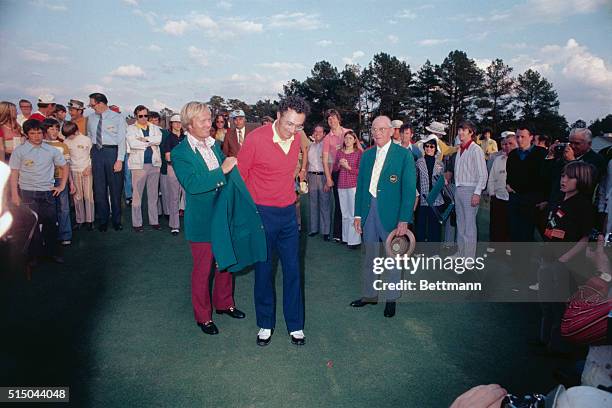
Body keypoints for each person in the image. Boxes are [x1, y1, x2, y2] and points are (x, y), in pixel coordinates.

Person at [237, 96, 310, 346]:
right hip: (262, 214)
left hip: (289, 214)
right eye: (289, 124)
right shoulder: (255, 139)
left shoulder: (298, 137)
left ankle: (295, 325)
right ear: (278, 116)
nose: (293, 131)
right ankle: (265, 324)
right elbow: (241, 178)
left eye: (299, 125)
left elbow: (289, 172)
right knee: (264, 272)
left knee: (293, 271)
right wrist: (248, 215)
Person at [171, 101, 246, 336]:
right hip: (202, 220)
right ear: (189, 125)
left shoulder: (213, 145)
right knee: (203, 270)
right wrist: (222, 170)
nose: (209, 124)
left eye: (209, 119)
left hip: (222, 215)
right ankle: (203, 316)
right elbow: (192, 185)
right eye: (203, 120)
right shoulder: (180, 153)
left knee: (225, 262)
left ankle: (224, 304)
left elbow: (227, 174)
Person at [351, 115, 416, 318]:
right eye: (374, 130)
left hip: (393, 215)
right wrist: (358, 215)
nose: (377, 133)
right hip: (369, 211)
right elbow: (361, 187)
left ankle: (391, 298)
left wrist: (404, 219)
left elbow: (408, 190)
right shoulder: (367, 155)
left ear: (390, 131)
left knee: (393, 259)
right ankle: (370, 295)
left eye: (381, 129)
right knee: (370, 255)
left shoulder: (403, 155)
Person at [538, 161, 596, 356]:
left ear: (581, 180)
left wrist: (565, 258)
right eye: (563, 176)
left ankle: (556, 347)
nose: (564, 180)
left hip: (563, 263)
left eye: (569, 177)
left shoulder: (583, 206)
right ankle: (543, 340)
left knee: (558, 307)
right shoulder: (560, 200)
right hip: (548, 258)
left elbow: (585, 237)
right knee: (546, 303)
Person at [9, 119, 68, 264]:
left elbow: (65, 167)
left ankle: (52, 253)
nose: (36, 136)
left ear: (44, 133)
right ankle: (34, 256)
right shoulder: (20, 151)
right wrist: (15, 195)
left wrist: (61, 186)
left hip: (48, 191)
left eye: (39, 133)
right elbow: (14, 173)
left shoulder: (51, 150)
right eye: (32, 133)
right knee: (32, 225)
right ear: (26, 134)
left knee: (50, 223)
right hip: (28, 192)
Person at [506, 124, 548, 289]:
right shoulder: (514, 155)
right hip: (515, 199)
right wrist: (509, 185)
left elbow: (545, 178)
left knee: (527, 237)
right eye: (517, 136)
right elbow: (510, 174)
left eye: (523, 136)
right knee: (515, 235)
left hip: (531, 201)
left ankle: (527, 272)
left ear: (531, 137)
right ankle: (517, 270)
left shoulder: (540, 154)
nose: (519, 139)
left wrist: (543, 198)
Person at [87, 92, 126, 232]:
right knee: (99, 189)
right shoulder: (90, 118)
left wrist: (119, 160)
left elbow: (122, 140)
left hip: (112, 153)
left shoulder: (118, 118)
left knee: (115, 189)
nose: (92, 108)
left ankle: (116, 220)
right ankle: (103, 220)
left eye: (93, 105)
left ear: (101, 103)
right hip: (97, 153)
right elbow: (90, 137)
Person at [452, 120, 487, 259]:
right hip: (458, 189)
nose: (460, 132)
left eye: (464, 130)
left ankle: (469, 258)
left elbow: (483, 174)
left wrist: (477, 193)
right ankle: (461, 254)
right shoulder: (460, 149)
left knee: (469, 227)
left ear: (471, 133)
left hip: (470, 190)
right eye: (459, 130)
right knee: (460, 224)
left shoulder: (476, 150)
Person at [126, 105, 162, 232]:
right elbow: (132, 143)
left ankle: (154, 221)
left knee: (153, 195)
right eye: (140, 116)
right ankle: (137, 223)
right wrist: (149, 142)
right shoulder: (130, 128)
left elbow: (159, 140)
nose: (143, 118)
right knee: (137, 195)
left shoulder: (155, 128)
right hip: (138, 166)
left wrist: (145, 139)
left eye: (146, 115)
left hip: (154, 164)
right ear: (136, 115)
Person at [322, 109, 354, 243]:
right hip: (337, 173)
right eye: (329, 119)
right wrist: (328, 178)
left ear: (338, 119)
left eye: (334, 118)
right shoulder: (327, 138)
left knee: (352, 204)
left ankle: (354, 235)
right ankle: (339, 234)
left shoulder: (348, 132)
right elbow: (324, 160)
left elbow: (359, 149)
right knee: (340, 205)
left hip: (351, 171)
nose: (332, 121)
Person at [42, 118, 73, 246]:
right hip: (45, 180)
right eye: (51, 128)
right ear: (45, 130)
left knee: (64, 208)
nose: (54, 131)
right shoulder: (41, 145)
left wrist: (70, 182)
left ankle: (65, 234)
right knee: (48, 209)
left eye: (56, 129)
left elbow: (67, 165)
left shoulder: (62, 146)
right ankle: (49, 236)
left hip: (61, 179)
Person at [486, 134, 517, 255]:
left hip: (512, 198)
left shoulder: (520, 160)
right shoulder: (498, 159)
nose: (507, 146)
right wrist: (491, 193)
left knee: (510, 224)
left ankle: (508, 247)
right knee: (496, 223)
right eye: (505, 144)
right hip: (498, 197)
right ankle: (494, 245)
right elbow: (492, 177)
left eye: (511, 144)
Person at [62, 121, 94, 231]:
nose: (69, 137)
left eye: (70, 134)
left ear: (76, 131)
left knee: (88, 196)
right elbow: (67, 159)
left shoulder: (86, 140)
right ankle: (80, 220)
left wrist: (89, 167)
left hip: (86, 170)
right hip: (74, 170)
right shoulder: (66, 141)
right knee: (77, 196)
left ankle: (90, 220)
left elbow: (92, 155)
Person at [333, 130, 362, 248]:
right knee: (344, 213)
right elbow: (334, 168)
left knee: (353, 213)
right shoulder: (340, 152)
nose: (348, 140)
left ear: (355, 140)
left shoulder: (359, 153)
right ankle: (346, 238)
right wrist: (339, 165)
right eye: (346, 138)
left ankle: (354, 241)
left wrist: (348, 167)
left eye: (350, 138)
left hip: (353, 186)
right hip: (341, 185)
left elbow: (360, 172)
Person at [415, 134, 445, 244]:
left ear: (435, 148)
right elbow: (415, 180)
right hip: (423, 199)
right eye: (427, 146)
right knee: (421, 225)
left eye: (432, 146)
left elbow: (442, 183)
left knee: (435, 226)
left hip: (436, 200)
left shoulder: (440, 164)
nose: (429, 148)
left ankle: (435, 252)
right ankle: (420, 250)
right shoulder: (418, 162)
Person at [306, 124, 331, 238]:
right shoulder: (310, 146)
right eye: (315, 131)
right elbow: (306, 163)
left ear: (324, 134)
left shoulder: (326, 146)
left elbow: (330, 164)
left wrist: (328, 180)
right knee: (313, 203)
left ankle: (325, 231)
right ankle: (314, 229)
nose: (317, 134)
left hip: (323, 176)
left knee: (325, 204)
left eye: (320, 132)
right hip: (311, 176)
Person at [163, 114, 185, 235]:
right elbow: (168, 157)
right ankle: (174, 225)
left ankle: (191, 224)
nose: (177, 124)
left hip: (186, 171)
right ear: (171, 124)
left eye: (179, 122)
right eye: (175, 122)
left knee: (188, 197)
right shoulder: (168, 138)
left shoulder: (186, 138)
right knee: (174, 198)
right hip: (173, 169)